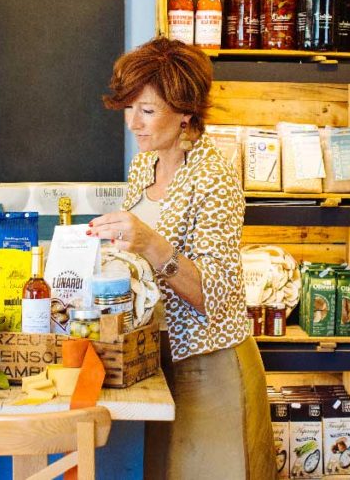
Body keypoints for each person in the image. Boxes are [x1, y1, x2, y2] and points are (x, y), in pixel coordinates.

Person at [88, 37, 275, 479]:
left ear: (186, 111)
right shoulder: (143, 165)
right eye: (129, 107)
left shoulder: (214, 176)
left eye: (147, 110)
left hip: (212, 369)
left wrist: (150, 243)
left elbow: (218, 297)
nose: (133, 122)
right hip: (159, 362)